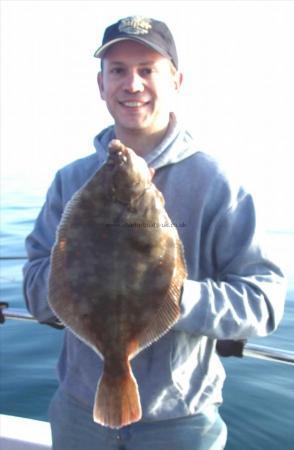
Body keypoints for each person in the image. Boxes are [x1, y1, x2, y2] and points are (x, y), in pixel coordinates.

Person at [23, 16, 286, 450]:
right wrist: (67, 286)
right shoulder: (70, 182)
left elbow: (264, 303)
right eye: (119, 70)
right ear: (100, 83)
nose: (133, 83)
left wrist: (170, 295)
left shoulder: (218, 184)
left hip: (180, 422)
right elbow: (36, 290)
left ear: (176, 79)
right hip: (77, 413)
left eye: (147, 69)